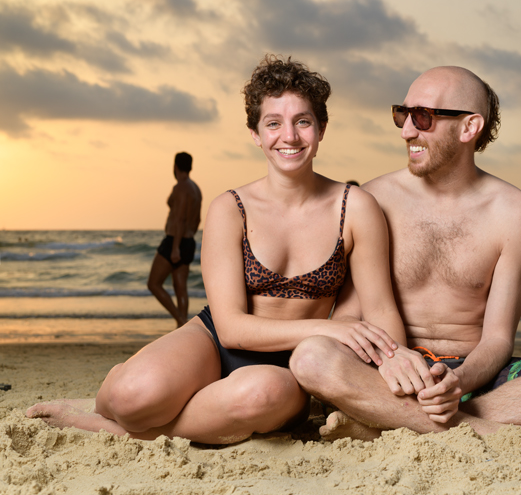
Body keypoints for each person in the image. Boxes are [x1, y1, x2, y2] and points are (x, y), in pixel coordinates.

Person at [26, 55, 411, 444]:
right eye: (273, 123)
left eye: (303, 121)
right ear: (255, 134)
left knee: (260, 395)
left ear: (321, 128)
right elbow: (230, 328)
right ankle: (107, 404)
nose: (289, 136)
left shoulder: (355, 206)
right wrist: (328, 329)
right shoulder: (231, 208)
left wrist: (396, 362)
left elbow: (380, 308)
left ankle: (106, 427)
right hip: (216, 341)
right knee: (132, 395)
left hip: (290, 368)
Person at [290, 66, 521, 446]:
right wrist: (392, 361)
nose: (406, 131)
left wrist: (458, 382)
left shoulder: (514, 212)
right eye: (402, 114)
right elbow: (351, 317)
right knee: (311, 357)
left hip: (475, 379)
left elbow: (498, 340)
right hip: (387, 371)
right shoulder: (373, 200)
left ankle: (390, 422)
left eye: (422, 117)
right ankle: (489, 432)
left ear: (469, 128)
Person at [147, 152, 203, 328]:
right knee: (180, 288)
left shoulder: (180, 188)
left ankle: (181, 321)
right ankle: (182, 330)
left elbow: (179, 219)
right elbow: (196, 220)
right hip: (189, 241)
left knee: (153, 284)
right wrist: (186, 240)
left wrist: (175, 247)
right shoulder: (196, 189)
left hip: (174, 242)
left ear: (175, 166)